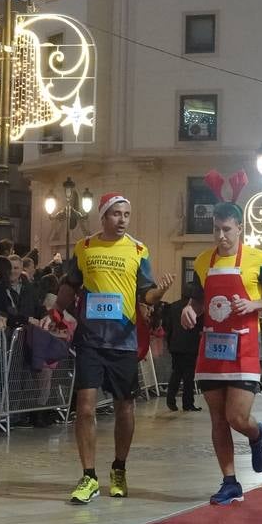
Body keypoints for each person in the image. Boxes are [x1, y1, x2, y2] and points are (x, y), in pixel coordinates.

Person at [57, 193, 173, 504]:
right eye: (116, 214)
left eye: (127, 214)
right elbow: (70, 283)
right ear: (103, 216)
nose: (122, 220)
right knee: (84, 408)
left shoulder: (138, 250)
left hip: (123, 340)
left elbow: (145, 294)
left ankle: (119, 468)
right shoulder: (85, 247)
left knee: (125, 408)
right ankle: (89, 476)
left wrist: (160, 292)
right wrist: (55, 311)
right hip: (90, 340)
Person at [179, 200, 262, 504]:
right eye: (216, 229)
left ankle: (255, 434)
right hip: (211, 348)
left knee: (237, 417)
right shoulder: (202, 261)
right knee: (217, 419)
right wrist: (190, 309)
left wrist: (255, 305)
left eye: (227, 229)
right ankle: (229, 481)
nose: (221, 235)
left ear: (240, 228)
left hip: (245, 349)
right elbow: (198, 298)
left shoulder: (258, 258)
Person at [162, 291, 202, 412]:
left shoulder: (172, 306)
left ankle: (170, 400)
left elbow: (167, 326)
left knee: (176, 373)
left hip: (175, 345)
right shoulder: (195, 307)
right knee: (188, 377)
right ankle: (188, 403)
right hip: (191, 345)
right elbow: (199, 325)